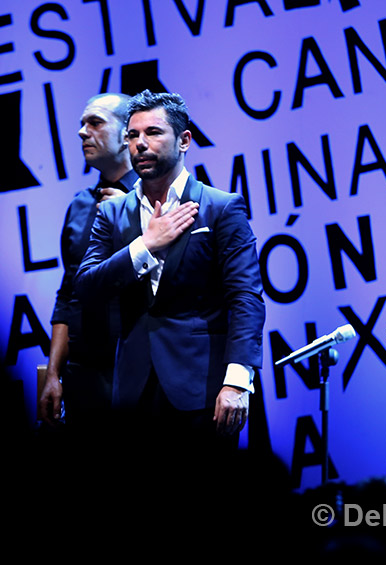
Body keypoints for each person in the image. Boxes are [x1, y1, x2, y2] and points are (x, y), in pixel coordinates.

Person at [74, 90, 266, 449]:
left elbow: (246, 299)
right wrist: (145, 246)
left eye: (153, 132)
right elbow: (85, 288)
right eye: (133, 135)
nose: (140, 144)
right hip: (133, 389)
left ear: (184, 141)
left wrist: (237, 381)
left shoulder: (220, 208)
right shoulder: (112, 212)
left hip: (203, 388)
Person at [38, 92, 139, 433]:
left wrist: (132, 215)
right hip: (85, 376)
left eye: (95, 123)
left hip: (147, 371)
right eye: (82, 124)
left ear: (127, 134)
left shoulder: (158, 200)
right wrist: (53, 374)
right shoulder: (79, 206)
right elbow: (68, 295)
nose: (82, 132)